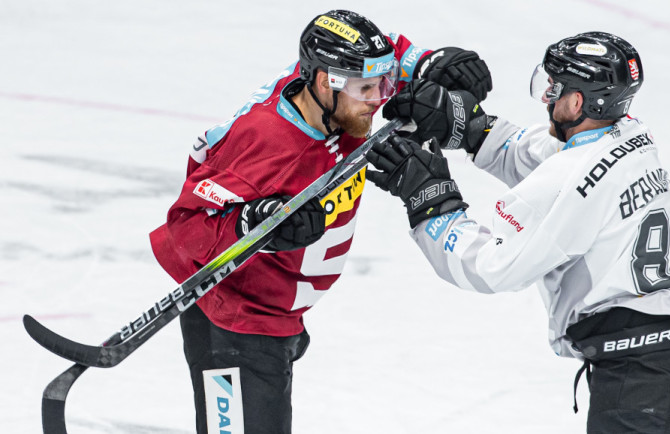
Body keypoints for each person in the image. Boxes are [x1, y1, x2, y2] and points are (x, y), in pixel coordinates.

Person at [149, 9, 492, 434]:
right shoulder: (266, 142)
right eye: (368, 88)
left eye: (382, 84)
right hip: (234, 326)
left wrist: (426, 64)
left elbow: (385, 54)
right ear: (322, 82)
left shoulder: (334, 90)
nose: (380, 97)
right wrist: (252, 223)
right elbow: (185, 225)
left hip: (277, 316)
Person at [365, 31, 670, 433]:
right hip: (663, 357)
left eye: (554, 88)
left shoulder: (570, 179)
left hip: (644, 374)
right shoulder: (630, 134)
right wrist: (472, 129)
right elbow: (553, 160)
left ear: (577, 101)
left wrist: (429, 200)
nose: (547, 96)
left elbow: (494, 267)